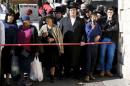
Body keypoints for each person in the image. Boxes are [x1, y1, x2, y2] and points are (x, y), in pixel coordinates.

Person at [59, 2, 84, 79]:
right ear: (69, 11)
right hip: (66, 44)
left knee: (76, 59)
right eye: (71, 10)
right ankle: (67, 73)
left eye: (74, 10)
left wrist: (83, 40)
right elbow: (60, 32)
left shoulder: (81, 20)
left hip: (77, 44)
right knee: (66, 59)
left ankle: (76, 74)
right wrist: (60, 42)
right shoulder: (63, 20)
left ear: (76, 11)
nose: (72, 11)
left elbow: (83, 32)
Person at [39, 14, 64, 82]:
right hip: (45, 48)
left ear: (52, 20)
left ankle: (52, 76)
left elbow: (60, 38)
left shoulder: (56, 27)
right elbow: (38, 36)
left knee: (53, 63)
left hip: (54, 48)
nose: (47, 21)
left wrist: (54, 40)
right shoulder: (43, 27)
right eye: (46, 20)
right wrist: (43, 36)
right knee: (44, 62)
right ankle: (42, 76)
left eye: (49, 19)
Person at [16, 15, 39, 86]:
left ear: (29, 21)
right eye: (23, 21)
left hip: (30, 50)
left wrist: (36, 51)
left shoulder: (33, 28)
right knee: (21, 65)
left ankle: (27, 80)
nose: (25, 22)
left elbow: (36, 40)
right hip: (21, 50)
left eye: (26, 20)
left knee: (27, 65)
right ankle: (22, 79)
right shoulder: (19, 28)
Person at [99, 7, 119, 77]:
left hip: (112, 40)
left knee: (111, 55)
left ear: (113, 13)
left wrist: (107, 30)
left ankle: (108, 70)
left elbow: (116, 28)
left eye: (111, 12)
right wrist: (108, 21)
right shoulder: (102, 19)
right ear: (106, 12)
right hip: (104, 39)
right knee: (102, 55)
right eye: (108, 12)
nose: (110, 13)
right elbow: (101, 28)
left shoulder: (115, 19)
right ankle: (102, 70)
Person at [81, 13, 101, 82]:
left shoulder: (98, 25)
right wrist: (92, 28)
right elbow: (88, 35)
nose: (94, 18)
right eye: (93, 17)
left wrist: (99, 36)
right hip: (89, 45)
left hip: (95, 45)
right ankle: (86, 75)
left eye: (95, 17)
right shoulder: (88, 25)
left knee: (94, 60)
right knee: (88, 61)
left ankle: (91, 74)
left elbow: (100, 32)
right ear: (90, 18)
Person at [1, 11, 18, 85]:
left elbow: (15, 38)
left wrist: (13, 48)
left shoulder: (15, 26)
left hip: (9, 48)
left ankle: (7, 80)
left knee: (8, 64)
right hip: (1, 47)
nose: (11, 17)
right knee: (2, 63)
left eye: (12, 16)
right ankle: (2, 78)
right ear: (7, 16)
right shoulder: (2, 24)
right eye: (9, 15)